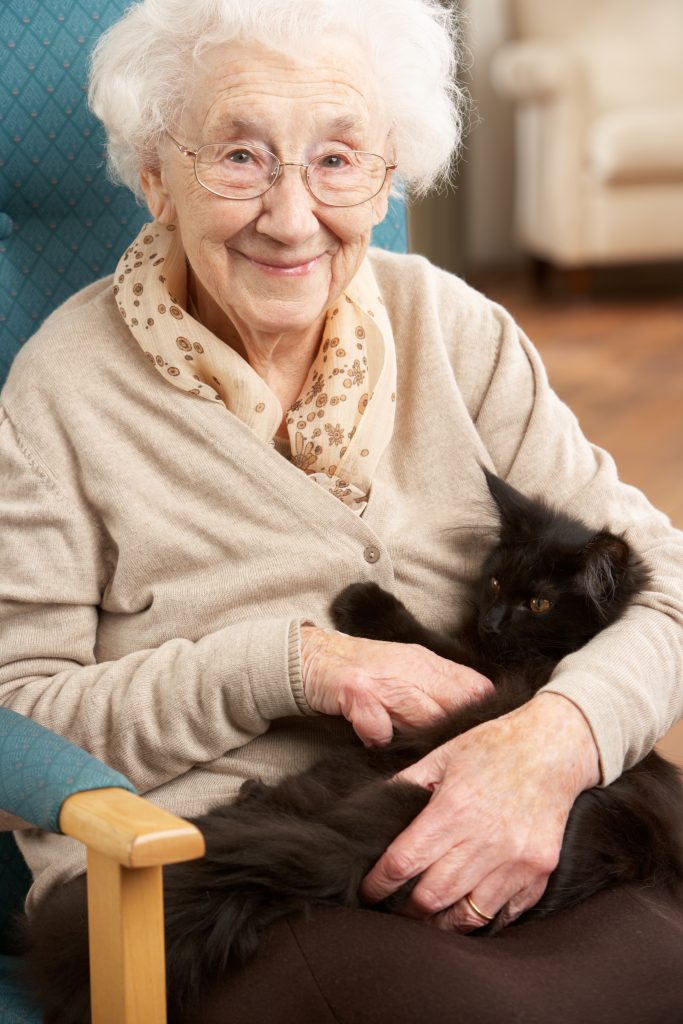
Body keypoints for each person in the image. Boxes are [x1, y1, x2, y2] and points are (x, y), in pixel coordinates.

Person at [1, 0, 682, 1020]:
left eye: (336, 158)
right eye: (238, 155)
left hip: (518, 828)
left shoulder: (453, 329)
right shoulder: (61, 390)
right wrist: (297, 665)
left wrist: (551, 745)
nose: (290, 214)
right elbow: (21, 711)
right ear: (153, 172)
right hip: (224, 882)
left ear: (388, 174)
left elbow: (659, 585)